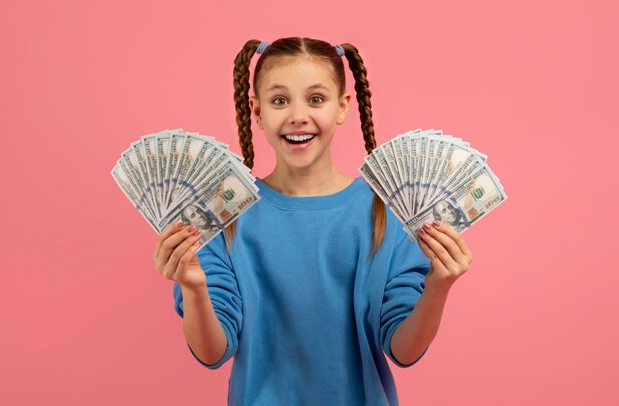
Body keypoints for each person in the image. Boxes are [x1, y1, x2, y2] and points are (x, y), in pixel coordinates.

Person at [153, 37, 474, 406]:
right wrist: (193, 287)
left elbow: (404, 350)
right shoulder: (222, 216)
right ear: (256, 111)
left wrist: (439, 284)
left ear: (343, 107)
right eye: (279, 101)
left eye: (316, 99)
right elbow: (212, 353)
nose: (297, 115)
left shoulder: (387, 212)